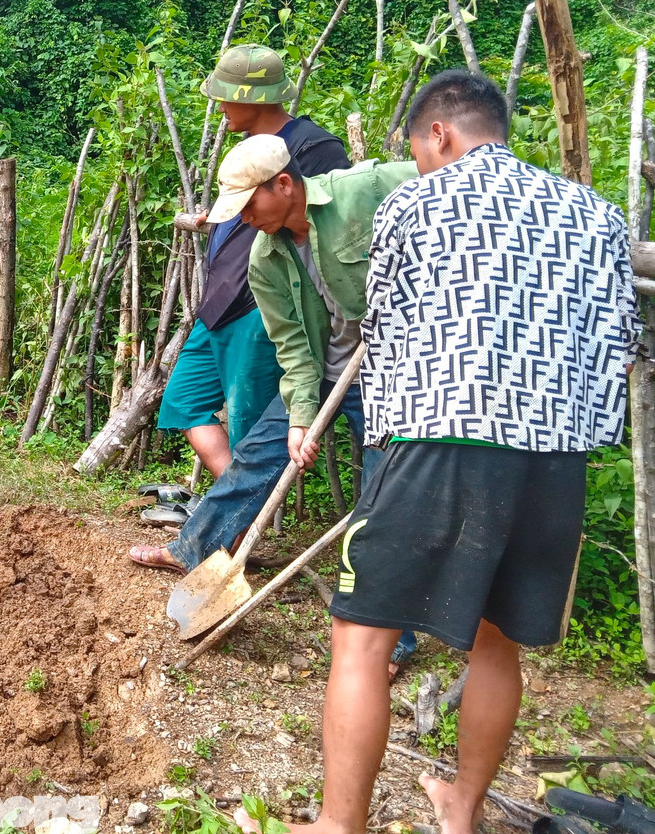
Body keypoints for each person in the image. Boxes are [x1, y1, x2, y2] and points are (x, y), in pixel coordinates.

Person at [244, 72, 640, 834]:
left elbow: (383, 328)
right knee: (496, 647)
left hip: (434, 438)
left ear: (440, 136)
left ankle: (338, 825)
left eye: (421, 151)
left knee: (361, 639)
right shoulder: (597, 214)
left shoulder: (411, 204)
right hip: (553, 460)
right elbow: (618, 342)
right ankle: (460, 804)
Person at [129, 134, 420, 669]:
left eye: (248, 205)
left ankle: (392, 639)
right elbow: (292, 344)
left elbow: (446, 179)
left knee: (380, 497)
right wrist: (301, 420)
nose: (243, 220)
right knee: (259, 454)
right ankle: (194, 548)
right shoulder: (265, 256)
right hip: (327, 372)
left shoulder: (369, 190)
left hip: (394, 377)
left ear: (284, 185)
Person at [159, 45, 351, 483]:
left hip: (261, 306)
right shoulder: (250, 147)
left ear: (251, 97)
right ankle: (233, 505)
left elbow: (320, 223)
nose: (220, 106)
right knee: (184, 400)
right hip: (219, 302)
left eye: (226, 96)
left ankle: (236, 532)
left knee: (248, 423)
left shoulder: (314, 148)